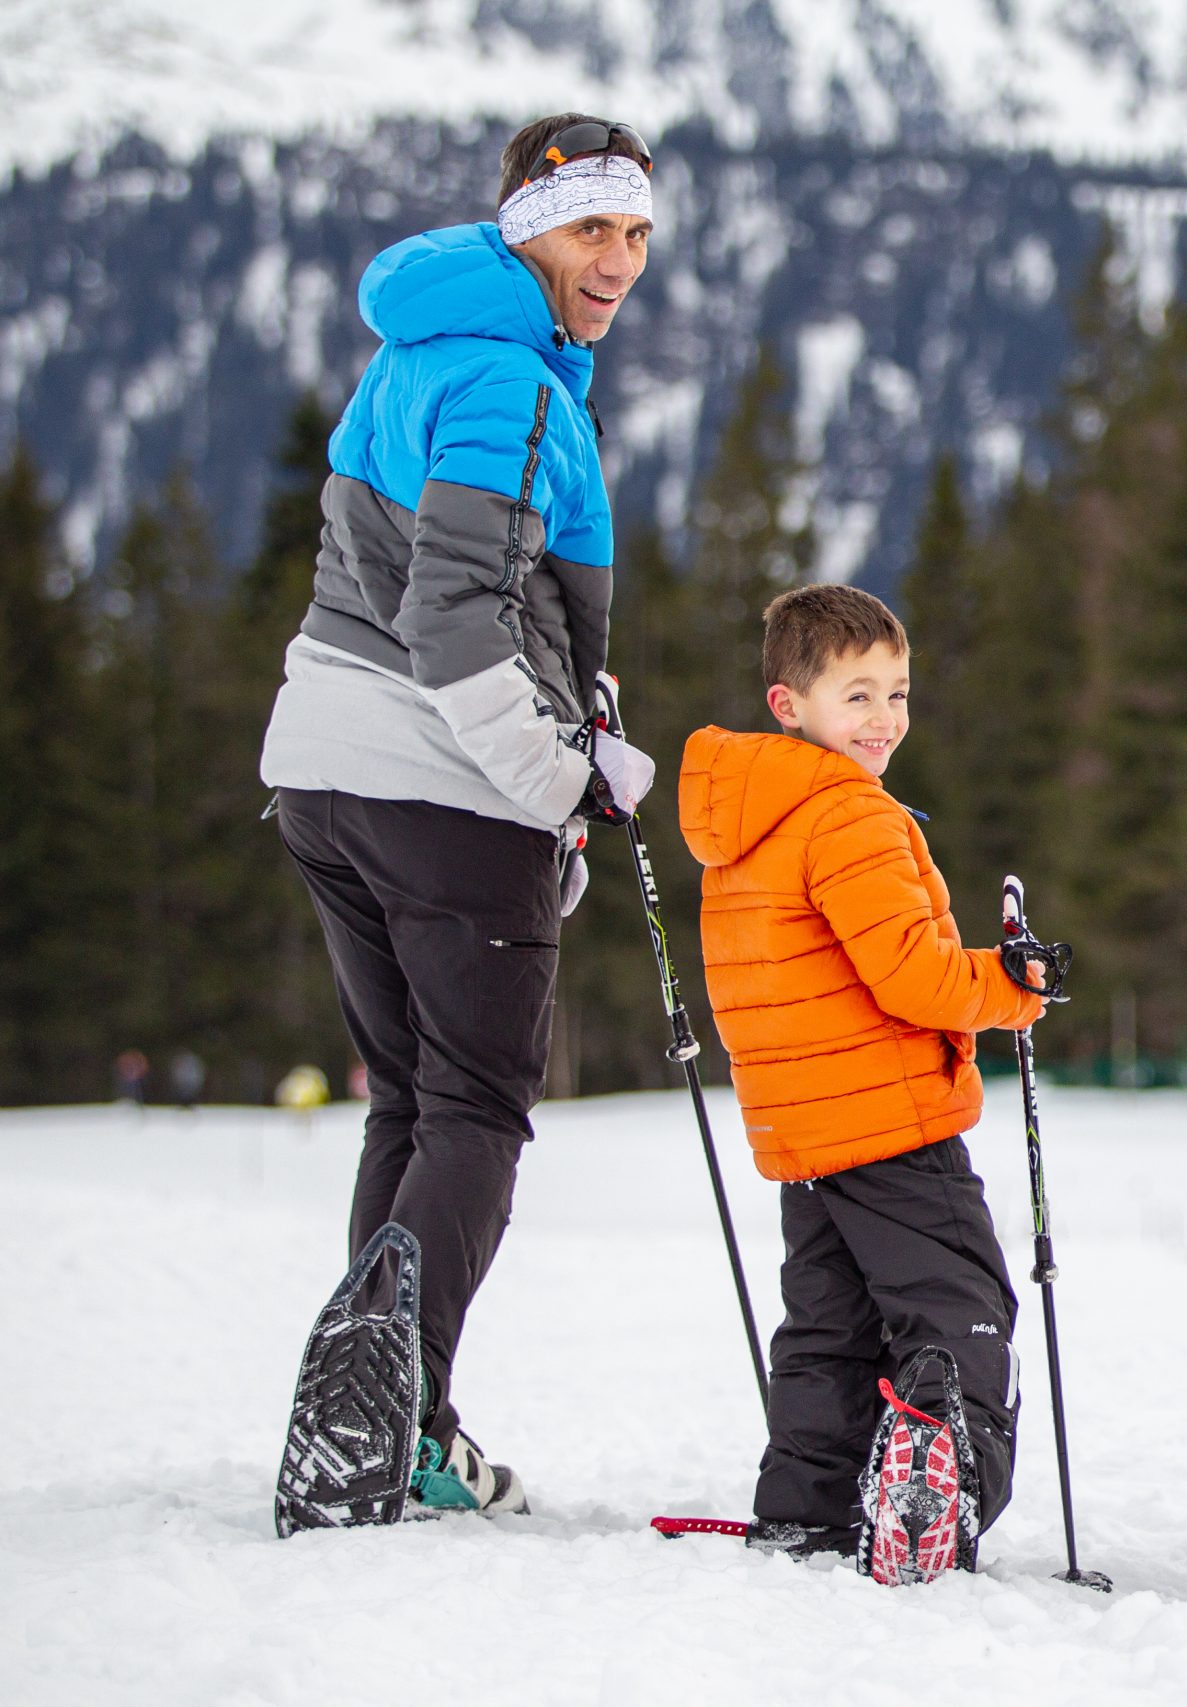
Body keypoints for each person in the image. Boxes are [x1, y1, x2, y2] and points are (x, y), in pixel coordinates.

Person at [257, 114, 663, 1517]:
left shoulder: (423, 345)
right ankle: (382, 1420)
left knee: (414, 1101)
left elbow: (488, 589)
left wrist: (577, 695)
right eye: (589, 228)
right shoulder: (512, 378)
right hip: (440, 780)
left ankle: (383, 1414)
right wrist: (560, 781)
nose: (615, 259)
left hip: (322, 760)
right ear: (521, 230)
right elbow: (449, 616)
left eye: (636, 231)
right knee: (479, 1105)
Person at [678, 585, 1057, 1578]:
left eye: (896, 691)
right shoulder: (847, 815)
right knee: (959, 1305)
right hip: (891, 1120)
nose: (884, 718)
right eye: (857, 695)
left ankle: (807, 1508)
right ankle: (940, 1487)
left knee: (829, 1330)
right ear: (788, 703)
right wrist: (1010, 986)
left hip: (804, 1133)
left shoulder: (745, 829)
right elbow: (915, 976)